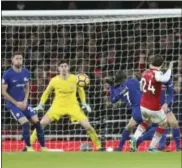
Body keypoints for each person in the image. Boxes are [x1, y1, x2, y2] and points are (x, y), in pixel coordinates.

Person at [30, 60, 101, 150]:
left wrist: (83, 103)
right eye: (62, 66)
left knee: (87, 126)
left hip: (73, 106)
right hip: (57, 106)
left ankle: (99, 146)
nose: (63, 68)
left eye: (65, 66)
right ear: (59, 68)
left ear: (68, 68)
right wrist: (41, 104)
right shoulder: (54, 80)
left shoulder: (75, 78)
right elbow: (46, 92)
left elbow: (81, 90)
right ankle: (28, 145)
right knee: (42, 123)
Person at [2, 52, 46, 152]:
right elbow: (3, 92)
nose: (19, 60)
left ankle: (44, 147)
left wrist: (25, 101)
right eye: (17, 58)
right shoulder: (7, 74)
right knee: (25, 123)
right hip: (13, 105)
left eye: (21, 59)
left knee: (37, 123)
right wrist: (16, 103)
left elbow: (27, 88)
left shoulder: (26, 72)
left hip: (24, 103)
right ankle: (29, 147)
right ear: (12, 60)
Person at [130, 56, 173, 152]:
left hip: (143, 104)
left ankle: (133, 140)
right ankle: (152, 147)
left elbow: (141, 87)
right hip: (153, 106)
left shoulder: (145, 72)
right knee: (163, 124)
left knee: (146, 122)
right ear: (161, 65)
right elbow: (165, 79)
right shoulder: (157, 73)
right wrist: (170, 69)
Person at [136, 77, 181, 151]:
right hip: (151, 106)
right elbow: (142, 92)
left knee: (174, 123)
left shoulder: (166, 78)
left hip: (162, 106)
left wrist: (166, 103)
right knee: (162, 125)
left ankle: (178, 147)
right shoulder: (149, 78)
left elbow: (170, 93)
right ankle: (160, 146)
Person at [106, 71, 143, 151]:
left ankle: (122, 146)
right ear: (125, 77)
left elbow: (113, 100)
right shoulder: (133, 81)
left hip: (136, 110)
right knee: (153, 127)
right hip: (145, 106)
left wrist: (111, 86)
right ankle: (132, 143)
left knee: (130, 127)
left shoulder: (119, 89)